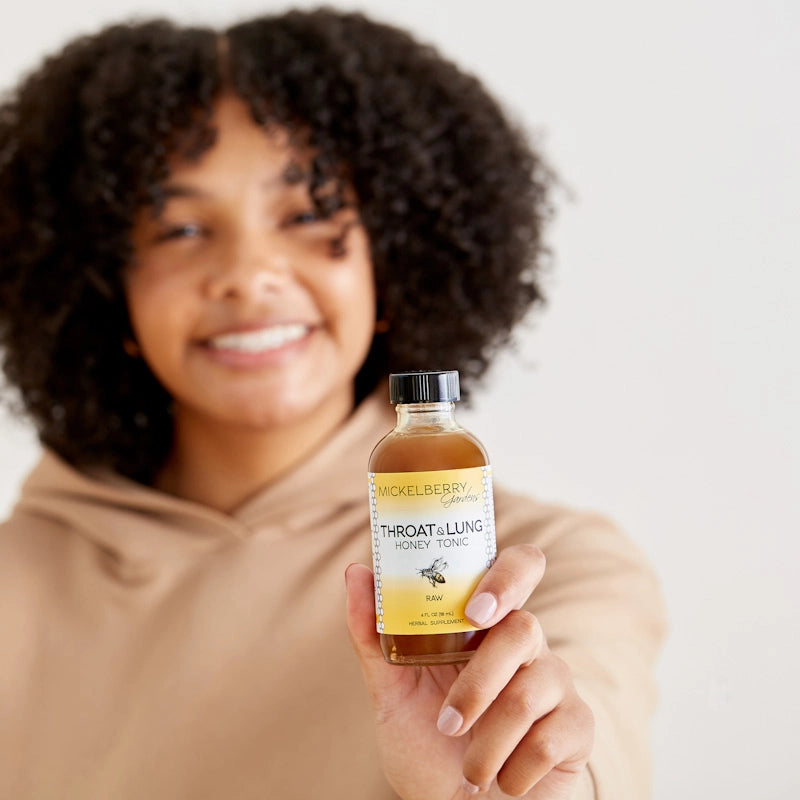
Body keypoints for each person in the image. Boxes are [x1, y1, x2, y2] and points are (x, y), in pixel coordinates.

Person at [0, 8, 666, 799]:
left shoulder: (541, 572)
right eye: (180, 227)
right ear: (103, 285)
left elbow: (584, 757)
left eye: (310, 213)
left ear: (397, 254)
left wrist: (502, 784)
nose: (249, 274)